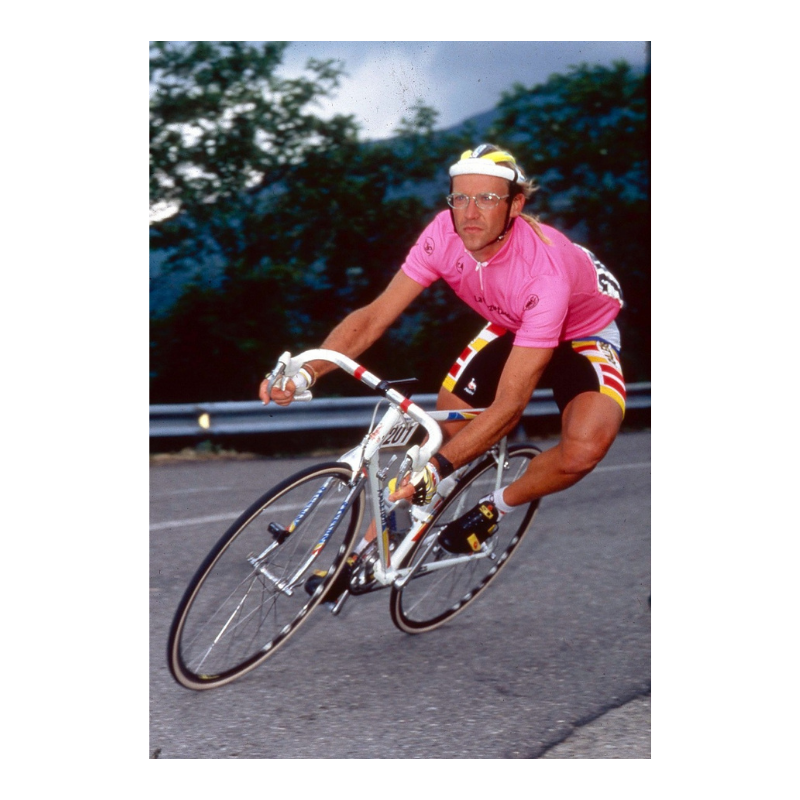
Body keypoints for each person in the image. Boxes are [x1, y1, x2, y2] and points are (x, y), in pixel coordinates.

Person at [259, 143, 626, 596]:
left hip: (580, 331)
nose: (470, 212)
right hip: (514, 322)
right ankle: (364, 552)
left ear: (515, 205)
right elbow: (374, 317)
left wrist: (437, 468)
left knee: (584, 449)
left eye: (488, 199)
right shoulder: (442, 233)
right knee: (444, 437)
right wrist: (307, 371)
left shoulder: (543, 272)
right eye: (461, 198)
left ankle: (496, 506)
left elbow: (511, 407)